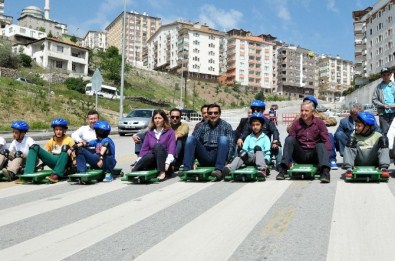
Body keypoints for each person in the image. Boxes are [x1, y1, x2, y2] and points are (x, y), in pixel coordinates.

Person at [276, 98, 331, 183]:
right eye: (302, 110)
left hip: (314, 155)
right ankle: (283, 169)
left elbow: (326, 140)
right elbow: (290, 142)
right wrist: (289, 161)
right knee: (289, 139)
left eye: (306, 111)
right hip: (300, 154)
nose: (303, 113)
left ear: (312, 112)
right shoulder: (296, 123)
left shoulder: (320, 123)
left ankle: (325, 172)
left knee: (321, 144)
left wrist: (326, 158)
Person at [182, 104, 234, 181]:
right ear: (207, 114)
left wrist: (227, 160)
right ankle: (187, 169)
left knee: (223, 139)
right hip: (204, 155)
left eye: (215, 113)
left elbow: (231, 144)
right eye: (210, 113)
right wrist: (193, 161)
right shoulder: (202, 126)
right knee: (191, 139)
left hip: (218, 156)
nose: (213, 115)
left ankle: (218, 170)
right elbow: (194, 142)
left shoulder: (226, 126)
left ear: (219, 114)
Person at [290, 95, 338, 170]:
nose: (304, 112)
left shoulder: (320, 114)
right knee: (290, 139)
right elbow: (289, 128)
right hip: (304, 140)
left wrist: (322, 122)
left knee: (329, 136)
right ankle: (291, 160)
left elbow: (334, 121)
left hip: (317, 138)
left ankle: (331, 159)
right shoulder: (300, 115)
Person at [23, 118, 75, 183]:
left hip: (65, 164)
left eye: (60, 129)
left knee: (65, 147)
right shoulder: (51, 141)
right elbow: (47, 156)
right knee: (34, 147)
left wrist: (73, 166)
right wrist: (41, 165)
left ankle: (56, 175)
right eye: (56, 129)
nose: (58, 131)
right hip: (55, 162)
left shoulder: (69, 140)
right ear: (54, 130)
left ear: (64, 130)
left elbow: (74, 156)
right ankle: (28, 174)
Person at [132, 110, 176, 181]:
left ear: (164, 120)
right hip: (154, 160)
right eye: (155, 118)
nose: (157, 120)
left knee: (158, 146)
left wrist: (167, 163)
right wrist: (138, 161)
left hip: (165, 160)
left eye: (159, 118)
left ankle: (162, 172)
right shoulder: (150, 132)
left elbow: (172, 149)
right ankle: (134, 170)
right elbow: (144, 149)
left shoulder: (170, 132)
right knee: (149, 155)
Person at [237, 100, 282, 170]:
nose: (255, 111)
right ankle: (236, 163)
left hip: (265, 148)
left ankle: (279, 164)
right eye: (253, 109)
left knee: (278, 148)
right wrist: (240, 138)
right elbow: (245, 132)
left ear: (263, 110)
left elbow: (275, 131)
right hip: (251, 149)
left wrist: (275, 140)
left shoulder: (268, 122)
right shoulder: (249, 122)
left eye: (258, 109)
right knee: (238, 146)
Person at [223, 112, 271, 177]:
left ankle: (262, 169)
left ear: (261, 125)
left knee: (258, 148)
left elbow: (267, 152)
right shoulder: (249, 137)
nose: (255, 127)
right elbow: (244, 150)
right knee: (243, 154)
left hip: (261, 158)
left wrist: (266, 160)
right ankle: (230, 168)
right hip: (250, 158)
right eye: (253, 125)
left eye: (257, 125)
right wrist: (243, 154)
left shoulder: (265, 138)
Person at [372, 67, 395, 135]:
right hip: (383, 113)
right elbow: (374, 99)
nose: (386, 76)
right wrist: (383, 105)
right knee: (384, 131)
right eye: (384, 75)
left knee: (393, 131)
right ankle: (385, 145)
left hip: (394, 113)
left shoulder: (394, 86)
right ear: (382, 76)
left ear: (390, 75)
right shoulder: (378, 87)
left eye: (387, 74)